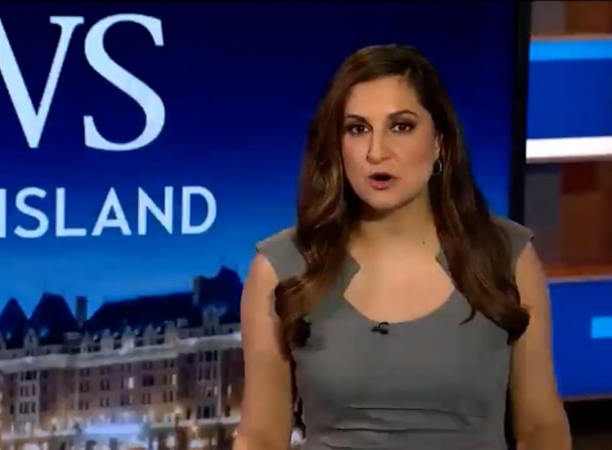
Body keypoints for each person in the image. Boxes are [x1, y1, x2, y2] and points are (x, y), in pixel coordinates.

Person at [237, 44, 571, 450]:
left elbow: (541, 428)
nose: (377, 152)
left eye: (401, 126)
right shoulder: (283, 267)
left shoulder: (506, 256)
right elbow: (260, 437)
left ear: (440, 143)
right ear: (337, 146)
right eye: (357, 129)